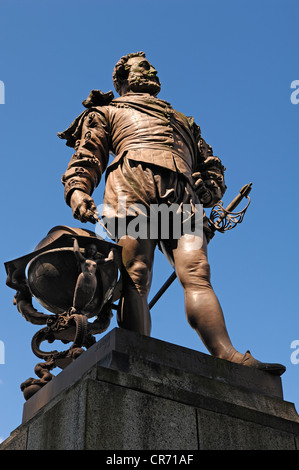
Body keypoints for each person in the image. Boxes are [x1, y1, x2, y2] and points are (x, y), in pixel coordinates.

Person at [58, 52, 285, 375]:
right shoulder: (107, 111)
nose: (152, 71)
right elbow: (88, 154)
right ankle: (136, 352)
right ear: (122, 78)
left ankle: (226, 354)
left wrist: (210, 188)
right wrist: (78, 188)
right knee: (136, 271)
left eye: (152, 67)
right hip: (131, 187)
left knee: (197, 271)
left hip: (182, 196)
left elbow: (210, 165)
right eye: (143, 67)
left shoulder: (184, 121)